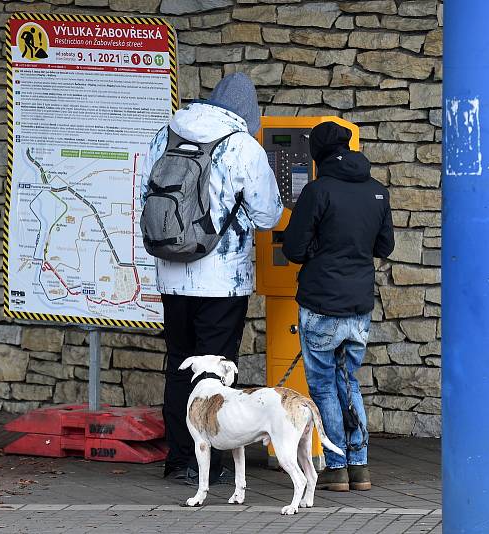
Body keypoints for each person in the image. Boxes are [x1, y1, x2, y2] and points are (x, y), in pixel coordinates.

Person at [141, 73, 283, 483]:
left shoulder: (166, 135)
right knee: (216, 372)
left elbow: (145, 197)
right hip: (222, 280)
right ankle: (204, 466)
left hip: (171, 274)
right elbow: (268, 215)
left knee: (179, 365)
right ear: (248, 113)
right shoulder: (242, 147)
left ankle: (178, 457)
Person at [282, 121, 394, 492]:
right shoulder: (377, 191)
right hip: (359, 303)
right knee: (350, 381)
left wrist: (319, 252)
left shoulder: (318, 191)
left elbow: (294, 249)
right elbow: (384, 247)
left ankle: (336, 468)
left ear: (317, 154)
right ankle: (360, 466)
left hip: (321, 303)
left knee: (325, 387)